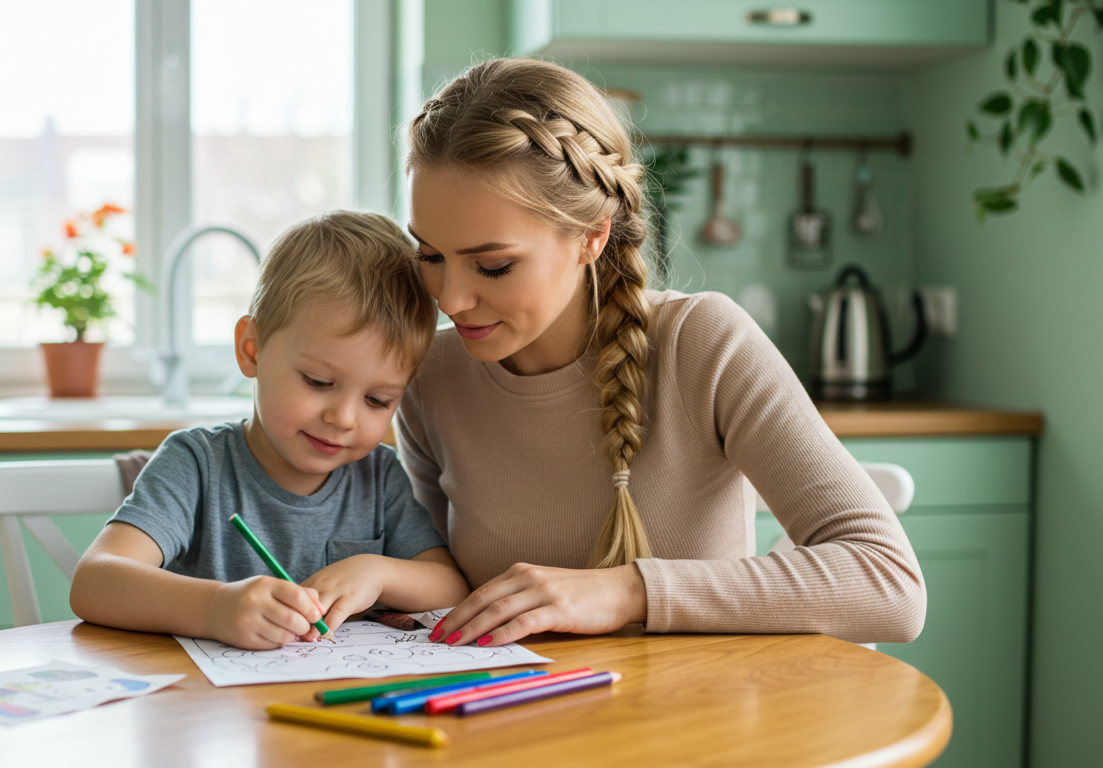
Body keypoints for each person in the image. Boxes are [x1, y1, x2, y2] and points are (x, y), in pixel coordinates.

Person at [395, 58, 926, 649]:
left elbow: (889, 585)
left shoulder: (702, 344)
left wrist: (626, 592)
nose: (451, 298)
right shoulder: (430, 377)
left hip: (693, 726)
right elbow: (435, 589)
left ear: (592, 236)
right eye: (430, 255)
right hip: (511, 724)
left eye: (493, 265)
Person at [70, 211, 469, 650]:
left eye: (378, 400)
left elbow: (451, 588)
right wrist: (215, 608)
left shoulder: (378, 477)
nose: (344, 419)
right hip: (204, 707)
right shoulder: (196, 465)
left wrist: (378, 571)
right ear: (252, 350)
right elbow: (94, 581)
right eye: (319, 382)